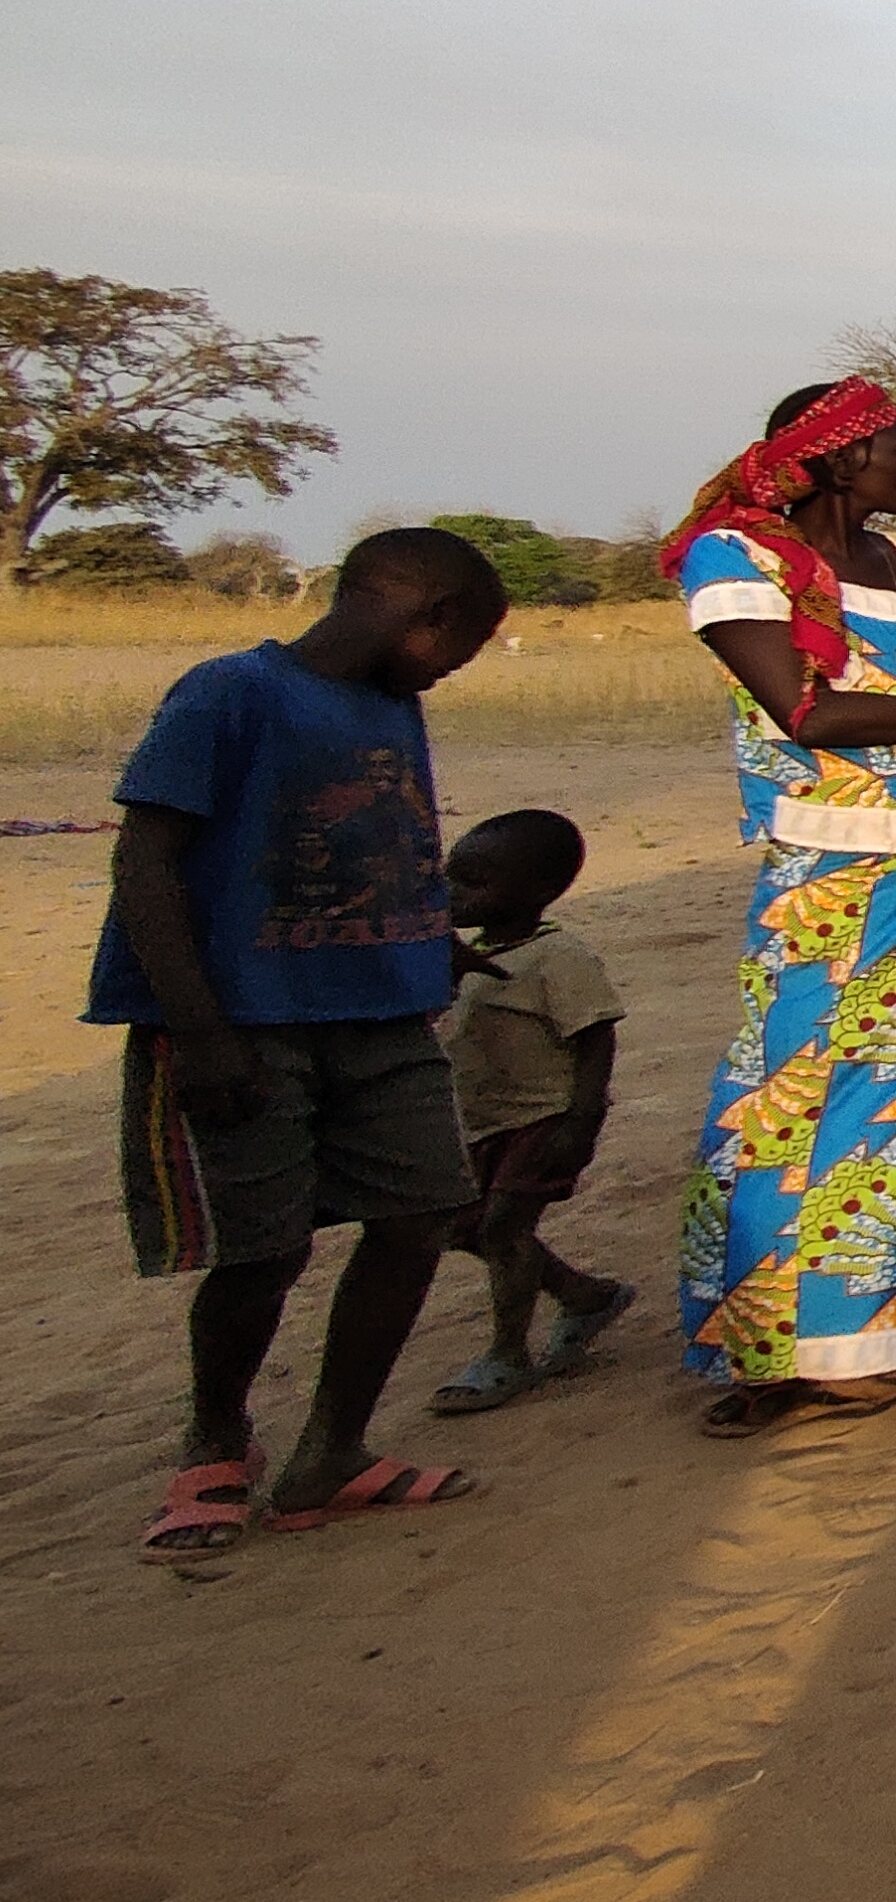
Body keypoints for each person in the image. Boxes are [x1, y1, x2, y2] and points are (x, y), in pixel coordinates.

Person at [101, 527, 506, 1562]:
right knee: (263, 1249)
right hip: (246, 1023)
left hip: (383, 1013)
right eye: (460, 650)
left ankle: (333, 1450)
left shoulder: (390, 706)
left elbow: (380, 843)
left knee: (419, 1213)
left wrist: (431, 939)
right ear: (433, 616)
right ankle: (213, 1445)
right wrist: (201, 1032)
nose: (452, 672)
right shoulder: (230, 692)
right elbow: (145, 861)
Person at [669, 378, 896, 1436]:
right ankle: (775, 1347)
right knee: (789, 1104)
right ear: (845, 460)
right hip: (828, 875)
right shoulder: (736, 560)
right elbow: (804, 710)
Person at [427, 810, 633, 1416]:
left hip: (544, 1118)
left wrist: (582, 1120)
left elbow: (595, 1037)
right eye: (450, 878)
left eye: (474, 882)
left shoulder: (556, 957)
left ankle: (507, 1355)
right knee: (464, 1227)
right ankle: (582, 1294)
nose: (454, 894)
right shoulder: (471, 955)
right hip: (485, 1122)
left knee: (503, 1228)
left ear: (539, 889)